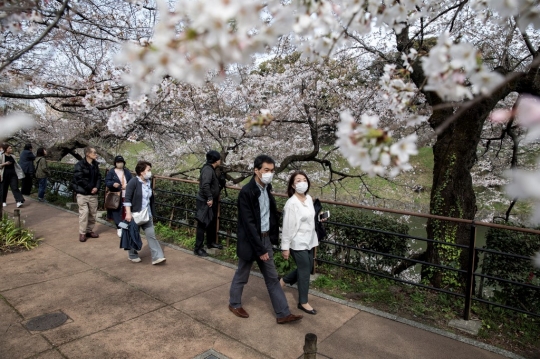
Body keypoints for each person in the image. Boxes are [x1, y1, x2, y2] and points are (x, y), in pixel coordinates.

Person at [228, 154, 303, 324]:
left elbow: (267, 215)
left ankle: (283, 313)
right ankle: (234, 303)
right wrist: (260, 250)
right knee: (242, 274)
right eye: (266, 170)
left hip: (265, 238)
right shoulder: (247, 192)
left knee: (272, 277)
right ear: (256, 170)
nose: (269, 173)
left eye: (272, 170)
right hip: (251, 241)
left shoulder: (267, 189)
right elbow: (248, 224)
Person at [280, 171, 320, 315]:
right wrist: (285, 248)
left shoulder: (308, 198)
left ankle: (283, 281)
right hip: (297, 241)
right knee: (304, 271)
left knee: (308, 267)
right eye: (298, 180)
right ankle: (303, 302)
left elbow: (310, 217)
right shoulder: (291, 203)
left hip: (309, 240)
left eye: (304, 179)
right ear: (293, 184)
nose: (302, 182)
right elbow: (287, 227)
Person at [124, 160, 166, 265]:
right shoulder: (133, 182)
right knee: (134, 234)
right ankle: (132, 254)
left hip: (147, 214)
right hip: (135, 214)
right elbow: (127, 199)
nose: (150, 172)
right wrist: (128, 213)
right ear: (142, 171)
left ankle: (157, 257)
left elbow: (149, 199)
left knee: (151, 235)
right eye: (148, 170)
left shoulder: (148, 182)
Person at [194, 150, 224, 257]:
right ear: (215, 160)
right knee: (202, 224)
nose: (220, 161)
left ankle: (210, 243)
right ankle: (198, 248)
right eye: (219, 159)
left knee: (211, 222)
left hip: (209, 201)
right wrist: (210, 197)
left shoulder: (210, 169)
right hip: (205, 201)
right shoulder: (207, 170)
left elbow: (211, 185)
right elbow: (205, 185)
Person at [72, 146, 102, 242]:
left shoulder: (95, 165)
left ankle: (89, 230)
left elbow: (99, 177)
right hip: (82, 193)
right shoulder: (79, 165)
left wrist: (97, 187)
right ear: (87, 154)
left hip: (93, 194)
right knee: (84, 213)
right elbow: (79, 179)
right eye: (94, 153)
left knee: (93, 214)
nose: (96, 154)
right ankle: (82, 232)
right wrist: (90, 187)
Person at [105, 155, 133, 237]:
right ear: (115, 163)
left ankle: (125, 228)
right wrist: (113, 184)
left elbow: (131, 181)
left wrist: (127, 185)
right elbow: (107, 181)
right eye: (118, 162)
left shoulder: (127, 172)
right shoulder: (111, 172)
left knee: (125, 212)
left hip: (126, 195)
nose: (120, 164)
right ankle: (119, 228)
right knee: (117, 212)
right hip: (116, 195)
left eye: (121, 162)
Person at [1, 143, 26, 208]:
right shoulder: (1, 156)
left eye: (11, 148)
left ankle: (19, 201)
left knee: (15, 187)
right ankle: (3, 201)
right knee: (4, 188)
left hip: (13, 174)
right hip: (4, 174)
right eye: (9, 148)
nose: (11, 149)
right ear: (5, 149)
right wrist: (4, 164)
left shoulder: (13, 156)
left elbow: (16, 165)